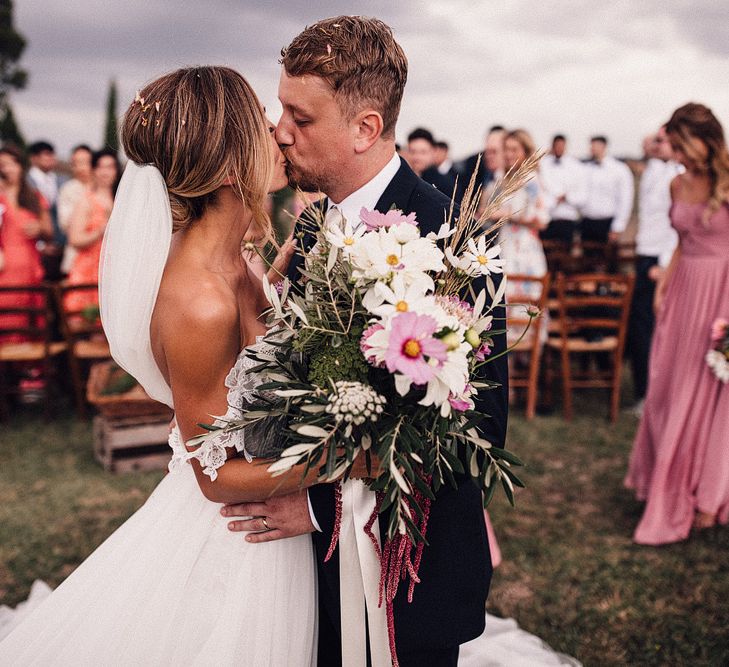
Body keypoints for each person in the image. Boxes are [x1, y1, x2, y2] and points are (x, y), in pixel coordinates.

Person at [0, 66, 341, 665]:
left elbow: (257, 361)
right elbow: (216, 477)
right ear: (232, 163)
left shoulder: (234, 259)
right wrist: (345, 458)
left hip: (273, 514)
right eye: (265, 126)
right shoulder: (198, 300)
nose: (282, 134)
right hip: (237, 540)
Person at [223, 17, 508, 667]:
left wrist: (322, 510)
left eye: (300, 116)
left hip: (408, 583)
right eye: (280, 111)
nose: (280, 132)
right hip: (304, 581)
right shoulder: (315, 226)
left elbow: (475, 433)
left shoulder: (449, 239)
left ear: (365, 127)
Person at [625, 102, 729, 544]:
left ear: (706, 140)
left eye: (684, 146)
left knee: (706, 394)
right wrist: (666, 283)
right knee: (666, 388)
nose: (679, 156)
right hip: (683, 290)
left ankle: (706, 495)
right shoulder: (674, 184)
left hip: (722, 292)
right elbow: (684, 243)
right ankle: (665, 482)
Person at [627, 126, 681, 414]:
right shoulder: (653, 170)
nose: (655, 145)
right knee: (641, 328)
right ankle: (644, 393)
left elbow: (678, 223)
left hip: (659, 261)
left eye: (661, 140)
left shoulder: (677, 175)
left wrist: (663, 262)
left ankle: (653, 396)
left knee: (650, 328)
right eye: (654, 140)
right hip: (645, 255)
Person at [0, 145, 53, 342]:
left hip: (30, 265)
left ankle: (30, 369)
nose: (7, 169)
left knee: (31, 316)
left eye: (11, 164)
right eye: (3, 165)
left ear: (20, 166)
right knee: (8, 317)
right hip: (5, 268)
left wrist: (39, 228)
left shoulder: (33, 196)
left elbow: (50, 232)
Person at [496, 129, 549, 308]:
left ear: (525, 152)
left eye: (514, 149)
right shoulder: (506, 179)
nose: (509, 154)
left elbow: (542, 218)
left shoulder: (531, 179)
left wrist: (507, 214)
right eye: (506, 149)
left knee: (522, 303)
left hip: (524, 248)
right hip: (506, 244)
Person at [63, 148, 120, 315]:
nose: (105, 172)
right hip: (88, 268)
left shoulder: (121, 201)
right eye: (101, 167)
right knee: (86, 321)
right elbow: (75, 239)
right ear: (94, 170)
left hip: (113, 269)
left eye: (110, 167)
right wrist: (101, 230)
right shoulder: (86, 201)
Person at [580, 136, 634, 244]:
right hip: (587, 223)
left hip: (608, 223)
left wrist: (618, 227)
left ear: (603, 146)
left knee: (608, 259)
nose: (592, 149)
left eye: (594, 146)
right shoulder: (585, 169)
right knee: (588, 260)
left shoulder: (619, 169)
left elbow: (625, 200)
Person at [540, 134, 586, 247]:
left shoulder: (576, 166)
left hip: (567, 218)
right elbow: (541, 189)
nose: (559, 148)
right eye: (556, 145)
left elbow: (581, 194)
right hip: (547, 217)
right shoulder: (543, 165)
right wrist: (554, 199)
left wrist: (566, 197)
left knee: (565, 255)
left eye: (561, 145)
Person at [27, 140, 64, 280]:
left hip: (60, 246)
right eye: (45, 154)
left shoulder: (62, 180)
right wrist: (40, 244)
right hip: (37, 246)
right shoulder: (25, 182)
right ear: (34, 158)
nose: (50, 158)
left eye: (51, 154)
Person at [57, 144, 93, 275]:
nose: (81, 167)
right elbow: (65, 223)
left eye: (85, 162)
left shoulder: (103, 187)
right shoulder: (68, 189)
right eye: (76, 163)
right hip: (76, 254)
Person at [406, 127, 453, 196]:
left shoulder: (446, 184)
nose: (417, 157)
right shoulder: (405, 180)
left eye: (423, 152)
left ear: (433, 152)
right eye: (413, 152)